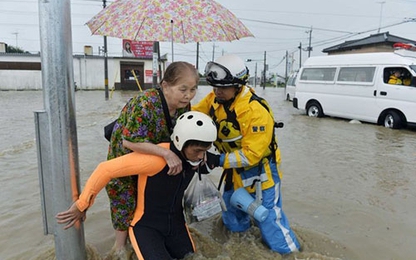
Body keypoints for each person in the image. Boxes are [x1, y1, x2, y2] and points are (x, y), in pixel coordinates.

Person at [56, 111, 219, 260]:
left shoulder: (197, 158)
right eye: (197, 150)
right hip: (147, 229)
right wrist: (82, 205)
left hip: (176, 226)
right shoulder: (156, 160)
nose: (201, 155)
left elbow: (221, 160)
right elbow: (104, 170)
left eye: (205, 150)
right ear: (180, 142)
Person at [193, 54, 301, 254]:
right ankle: (242, 248)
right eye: (214, 87)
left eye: (223, 88)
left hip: (261, 174)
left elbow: (252, 155)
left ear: (238, 85)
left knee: (269, 219)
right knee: (231, 213)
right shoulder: (214, 100)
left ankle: (291, 254)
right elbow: (195, 116)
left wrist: (217, 160)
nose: (217, 92)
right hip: (233, 173)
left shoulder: (255, 111)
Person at [105, 61, 199, 258]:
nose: (188, 95)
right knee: (124, 198)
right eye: (183, 89)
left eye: (193, 89)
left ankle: (150, 236)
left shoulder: (184, 106)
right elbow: (129, 142)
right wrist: (166, 153)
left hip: (153, 156)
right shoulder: (146, 103)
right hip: (128, 155)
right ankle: (120, 247)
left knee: (148, 200)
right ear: (165, 85)